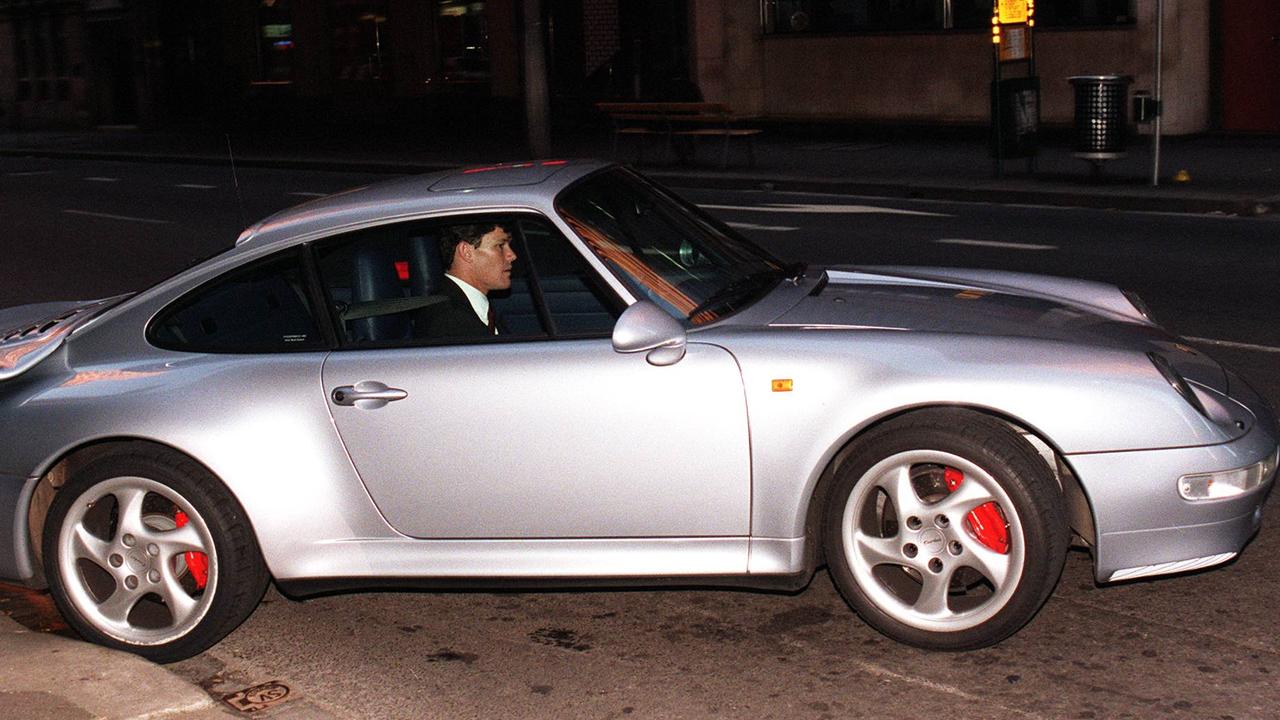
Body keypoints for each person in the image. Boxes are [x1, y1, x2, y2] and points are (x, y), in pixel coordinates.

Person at [414, 222, 516, 339]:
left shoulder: (469, 307)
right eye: (500, 246)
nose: (512, 255)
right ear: (466, 252)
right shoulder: (449, 322)